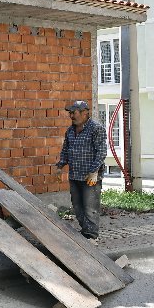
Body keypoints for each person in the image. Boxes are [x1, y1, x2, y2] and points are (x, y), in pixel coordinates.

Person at [56, 100, 107, 240]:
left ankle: (91, 236)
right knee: (78, 208)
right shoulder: (70, 131)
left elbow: (101, 152)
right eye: (70, 113)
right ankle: (85, 233)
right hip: (74, 175)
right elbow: (66, 149)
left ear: (85, 113)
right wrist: (60, 166)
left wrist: (94, 171)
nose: (71, 115)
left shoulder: (96, 129)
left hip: (90, 177)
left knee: (90, 209)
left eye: (74, 112)